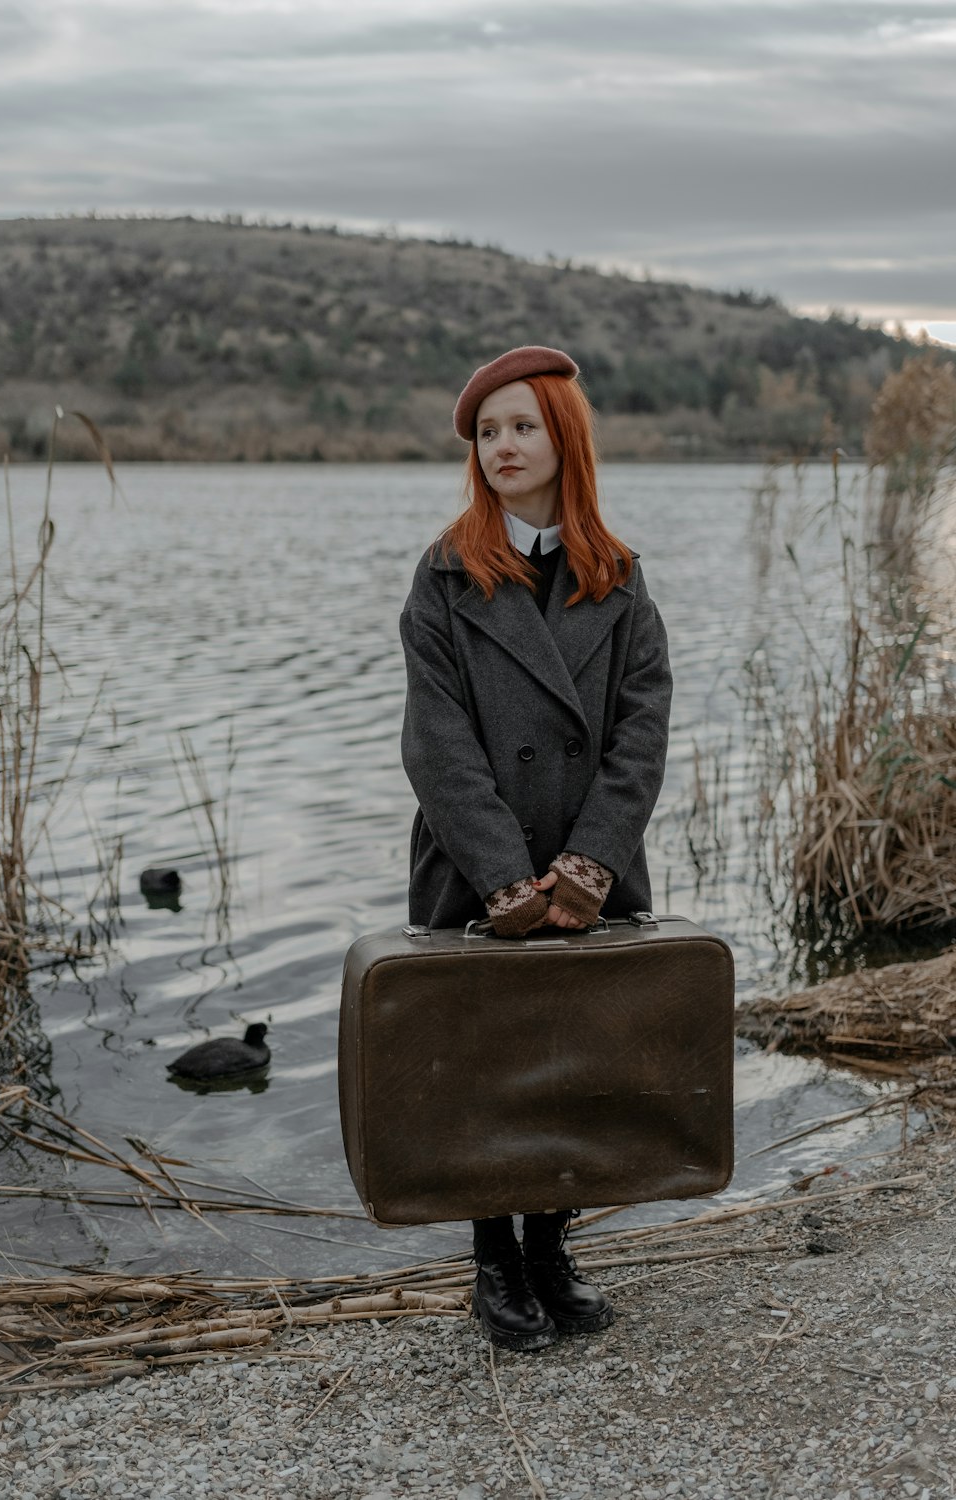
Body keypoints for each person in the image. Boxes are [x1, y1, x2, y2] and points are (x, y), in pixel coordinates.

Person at [398, 345, 673, 1352]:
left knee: (576, 1059)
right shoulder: (441, 578)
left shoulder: (619, 578)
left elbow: (642, 730)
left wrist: (586, 867)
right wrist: (507, 879)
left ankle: (551, 1245)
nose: (503, 446)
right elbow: (436, 744)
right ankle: (491, 1257)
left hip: (590, 869)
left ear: (564, 435)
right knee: (481, 1059)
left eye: (522, 426)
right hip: (476, 867)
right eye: (486, 432)